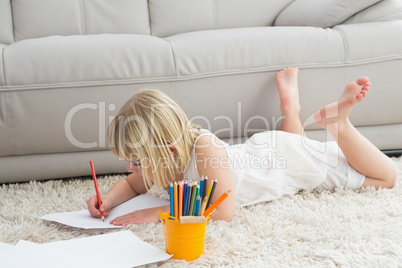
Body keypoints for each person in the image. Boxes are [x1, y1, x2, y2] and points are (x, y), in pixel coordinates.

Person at [87, 67, 397, 226]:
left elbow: (223, 212)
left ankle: (338, 122)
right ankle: (291, 110)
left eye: (138, 161)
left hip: (290, 163)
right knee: (294, 143)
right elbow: (132, 184)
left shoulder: (204, 149)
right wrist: (108, 200)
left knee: (385, 178)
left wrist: (159, 214)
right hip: (269, 153)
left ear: (168, 151)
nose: (132, 169)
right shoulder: (166, 160)